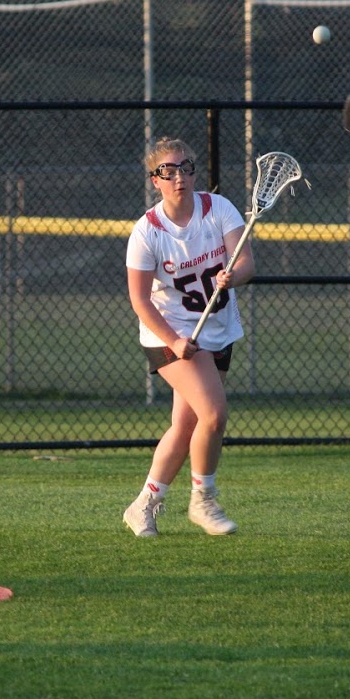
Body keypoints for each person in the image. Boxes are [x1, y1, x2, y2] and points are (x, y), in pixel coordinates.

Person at [122, 137, 254, 537]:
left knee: (185, 426)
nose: (178, 176)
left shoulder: (219, 209)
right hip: (170, 335)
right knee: (214, 414)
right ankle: (203, 500)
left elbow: (246, 263)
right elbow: (140, 300)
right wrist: (175, 341)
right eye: (168, 171)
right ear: (155, 180)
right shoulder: (147, 232)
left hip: (216, 330)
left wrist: (233, 276)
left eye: (185, 167)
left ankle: (143, 505)